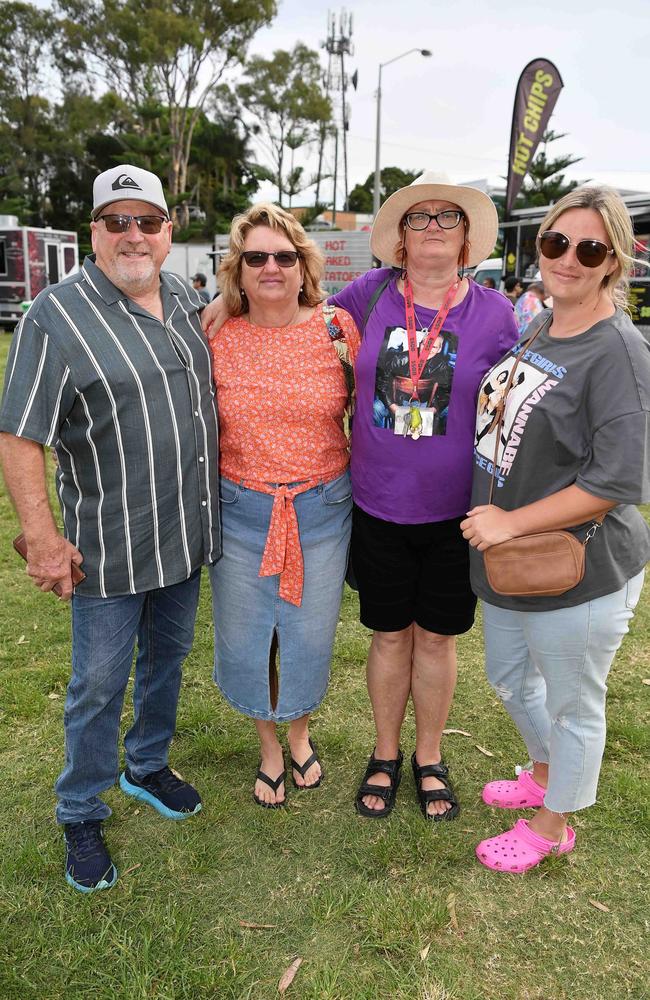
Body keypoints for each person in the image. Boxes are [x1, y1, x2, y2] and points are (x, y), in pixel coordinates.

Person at [0, 164, 220, 892]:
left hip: (185, 534)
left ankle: (148, 764)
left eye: (147, 222)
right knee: (97, 684)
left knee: (169, 659)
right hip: (108, 549)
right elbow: (19, 436)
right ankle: (78, 806)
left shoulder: (185, 297)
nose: (133, 235)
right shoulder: (54, 317)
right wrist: (43, 537)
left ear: (167, 232)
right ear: (91, 232)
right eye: (116, 221)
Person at [462, 185, 650, 872]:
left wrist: (511, 520)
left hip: (577, 566)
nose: (568, 259)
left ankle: (552, 824)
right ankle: (543, 771)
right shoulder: (543, 322)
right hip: (510, 557)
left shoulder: (619, 354)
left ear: (613, 261)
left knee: (574, 701)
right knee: (511, 677)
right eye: (555, 243)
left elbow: (618, 481)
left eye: (589, 248)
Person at [326, 171, 518, 820]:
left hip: (457, 512)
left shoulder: (495, 314)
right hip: (377, 504)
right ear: (400, 240)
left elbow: (523, 404)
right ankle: (384, 753)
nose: (433, 227)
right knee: (387, 637)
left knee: (436, 639)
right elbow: (301, 330)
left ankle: (428, 756)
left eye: (447, 218)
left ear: (467, 240)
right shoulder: (365, 295)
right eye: (419, 218)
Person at [208, 203, 359, 808]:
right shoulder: (214, 332)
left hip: (322, 508)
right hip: (240, 508)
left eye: (284, 256)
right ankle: (268, 745)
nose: (271, 267)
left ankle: (299, 733)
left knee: (307, 634)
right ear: (237, 271)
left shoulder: (337, 327)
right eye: (256, 257)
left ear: (304, 266)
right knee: (248, 636)